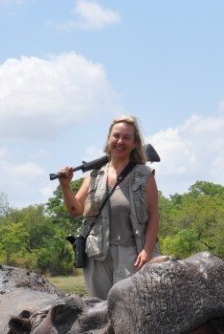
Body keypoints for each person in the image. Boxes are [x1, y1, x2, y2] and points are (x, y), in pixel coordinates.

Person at [57, 115, 160, 299]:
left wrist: (147, 250)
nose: (120, 141)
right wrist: (65, 185)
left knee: (128, 308)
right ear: (109, 139)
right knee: (99, 311)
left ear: (135, 143)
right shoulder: (94, 175)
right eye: (116, 136)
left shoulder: (145, 175)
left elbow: (154, 215)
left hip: (131, 254)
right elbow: (75, 210)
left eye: (126, 138)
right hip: (97, 255)